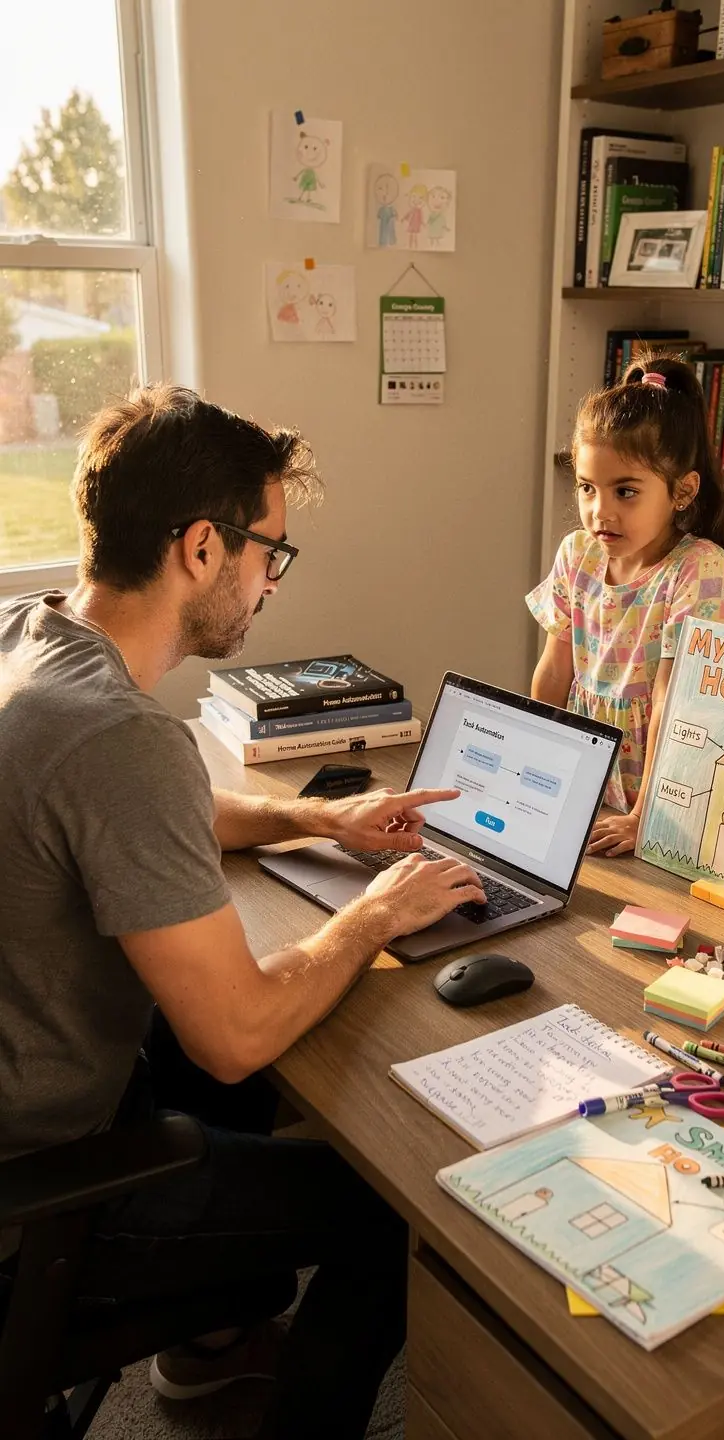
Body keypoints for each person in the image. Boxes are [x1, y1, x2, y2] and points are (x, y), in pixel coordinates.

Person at [0, 383, 486, 1439]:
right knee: (393, 1208)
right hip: (41, 1188)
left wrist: (318, 820)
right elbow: (235, 1033)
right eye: (272, 551)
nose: (271, 579)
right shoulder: (119, 738)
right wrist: (371, 917)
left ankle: (209, 1346)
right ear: (201, 548)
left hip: (38, 1093)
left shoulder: (32, 638)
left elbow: (147, 810)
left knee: (219, 1070)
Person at [526, 357, 724, 858]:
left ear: (682, 491)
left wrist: (645, 816)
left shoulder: (699, 571)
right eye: (587, 488)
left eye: (625, 491)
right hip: (592, 787)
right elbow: (554, 671)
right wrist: (535, 770)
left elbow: (674, 704)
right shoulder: (577, 554)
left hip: (665, 803)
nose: (600, 511)